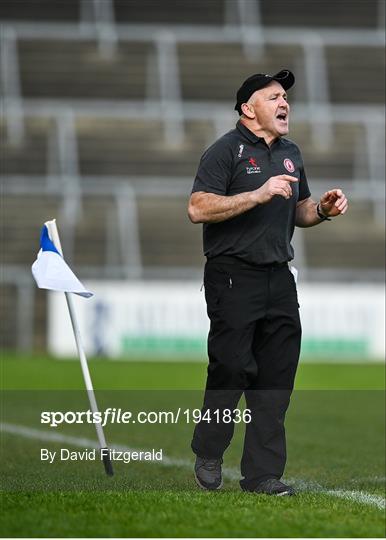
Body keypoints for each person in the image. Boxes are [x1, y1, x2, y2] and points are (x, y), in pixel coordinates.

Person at [187, 69, 348, 496]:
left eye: (285, 97)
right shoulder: (225, 150)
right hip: (232, 275)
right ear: (248, 108)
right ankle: (209, 448)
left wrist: (324, 210)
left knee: (276, 378)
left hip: (279, 277)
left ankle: (262, 475)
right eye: (273, 96)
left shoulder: (292, 151)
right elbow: (198, 207)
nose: (284, 102)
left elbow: (299, 210)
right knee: (232, 368)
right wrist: (257, 193)